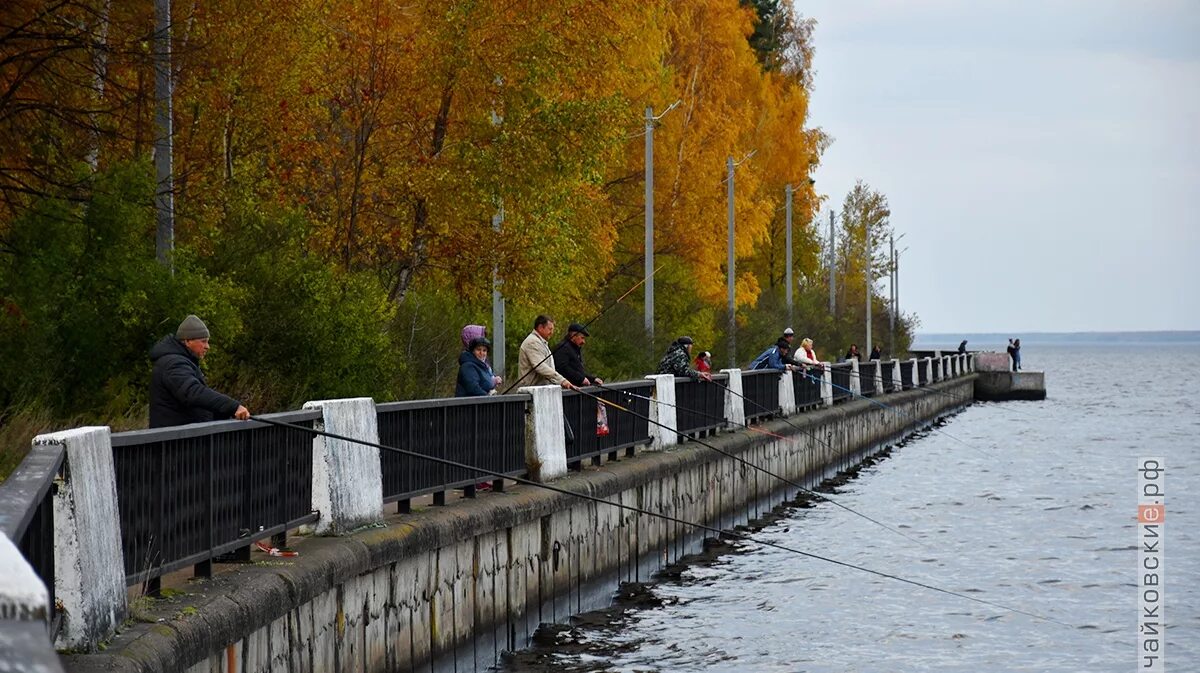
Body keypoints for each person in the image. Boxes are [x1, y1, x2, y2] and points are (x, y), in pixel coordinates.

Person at [149, 315, 250, 428]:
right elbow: (193, 392)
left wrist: (224, 413)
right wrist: (232, 407)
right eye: (203, 341)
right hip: (174, 442)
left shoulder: (182, 361)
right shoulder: (173, 364)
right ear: (187, 341)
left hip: (183, 438)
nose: (207, 347)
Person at [517, 315, 576, 389]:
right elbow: (541, 367)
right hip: (531, 393)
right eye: (550, 329)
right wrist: (562, 380)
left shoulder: (541, 342)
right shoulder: (532, 342)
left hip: (541, 391)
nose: (552, 332)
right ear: (540, 327)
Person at [553, 323, 603, 387]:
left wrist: (592, 379)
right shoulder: (563, 348)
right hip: (567, 390)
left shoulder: (575, 349)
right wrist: (581, 379)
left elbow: (578, 371)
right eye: (582, 338)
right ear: (573, 336)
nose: (583, 341)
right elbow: (562, 368)